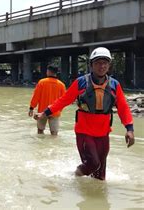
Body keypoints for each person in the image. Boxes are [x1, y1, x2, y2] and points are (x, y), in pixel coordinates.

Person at [34, 47, 135, 180]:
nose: (102, 66)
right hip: (84, 132)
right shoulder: (81, 82)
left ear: (109, 65)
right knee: (93, 163)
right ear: (91, 65)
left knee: (100, 175)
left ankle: (95, 197)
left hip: (103, 133)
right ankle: (76, 176)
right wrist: (45, 113)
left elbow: (123, 108)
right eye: (98, 63)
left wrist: (129, 129)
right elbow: (63, 101)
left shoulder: (114, 85)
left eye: (105, 63)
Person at [28, 65, 66, 135]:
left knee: (40, 131)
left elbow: (36, 97)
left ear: (48, 71)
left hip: (42, 112)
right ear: (56, 72)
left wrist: (31, 108)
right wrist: (59, 110)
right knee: (54, 134)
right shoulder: (61, 85)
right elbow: (64, 100)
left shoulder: (42, 82)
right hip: (55, 111)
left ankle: (40, 145)